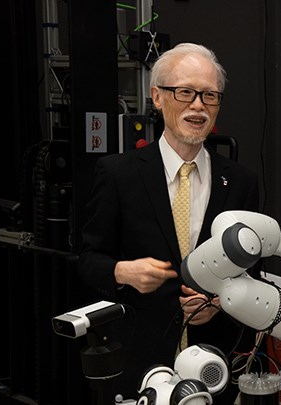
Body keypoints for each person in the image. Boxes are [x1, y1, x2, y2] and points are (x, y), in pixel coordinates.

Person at [78, 43, 259, 403]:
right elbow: (86, 259)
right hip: (142, 363)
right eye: (185, 92)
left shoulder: (240, 181)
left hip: (215, 364)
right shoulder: (118, 174)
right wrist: (122, 272)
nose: (198, 106)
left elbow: (254, 268)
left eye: (210, 95)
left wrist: (221, 301)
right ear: (157, 97)